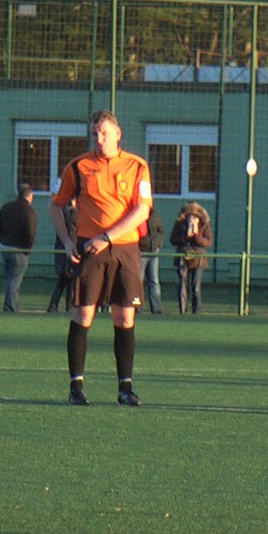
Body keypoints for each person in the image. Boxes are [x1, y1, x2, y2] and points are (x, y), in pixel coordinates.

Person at [49, 110, 152, 407]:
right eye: (95, 134)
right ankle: (76, 388)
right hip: (89, 249)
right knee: (83, 314)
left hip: (125, 249)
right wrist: (68, 242)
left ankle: (125, 388)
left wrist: (107, 237)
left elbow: (142, 210)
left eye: (105, 133)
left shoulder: (137, 166)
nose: (99, 139)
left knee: (124, 317)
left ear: (118, 134)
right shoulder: (78, 166)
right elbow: (55, 205)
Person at [0, 183, 37, 312]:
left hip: (5, 247)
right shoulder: (29, 211)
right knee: (15, 281)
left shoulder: (7, 207)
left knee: (10, 278)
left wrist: (2, 238)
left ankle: (13, 306)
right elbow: (30, 232)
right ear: (30, 195)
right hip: (19, 250)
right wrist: (28, 248)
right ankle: (10, 308)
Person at [170, 201, 212, 315]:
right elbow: (173, 239)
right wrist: (185, 236)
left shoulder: (205, 224)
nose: (192, 219)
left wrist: (197, 234)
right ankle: (182, 311)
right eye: (189, 216)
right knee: (182, 286)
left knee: (196, 287)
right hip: (183, 257)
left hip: (198, 259)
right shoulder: (180, 223)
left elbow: (208, 242)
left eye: (195, 216)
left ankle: (196, 312)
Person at [48, 197, 78, 313]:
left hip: (62, 248)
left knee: (64, 280)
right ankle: (68, 306)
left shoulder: (62, 212)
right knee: (69, 279)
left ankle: (54, 306)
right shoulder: (73, 213)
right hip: (70, 249)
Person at [139, 207, 165, 314]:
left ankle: (156, 308)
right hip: (141, 252)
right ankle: (137, 307)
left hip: (153, 252)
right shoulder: (136, 214)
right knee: (138, 281)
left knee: (154, 281)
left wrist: (158, 245)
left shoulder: (154, 214)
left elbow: (160, 230)